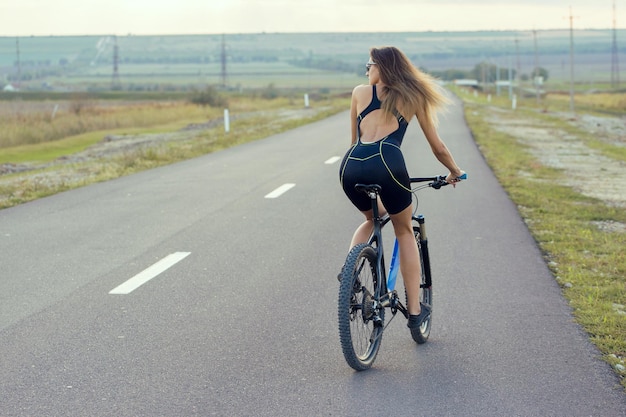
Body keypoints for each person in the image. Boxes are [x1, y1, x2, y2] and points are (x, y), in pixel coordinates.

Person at [338, 46, 464, 331]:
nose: (367, 70)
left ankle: (351, 274)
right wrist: (454, 172)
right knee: (404, 229)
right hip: (388, 163)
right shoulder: (413, 96)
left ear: (382, 66)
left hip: (351, 165)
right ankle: (416, 311)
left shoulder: (359, 93)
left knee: (371, 219)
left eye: (369, 65)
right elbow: (438, 147)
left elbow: (353, 140)